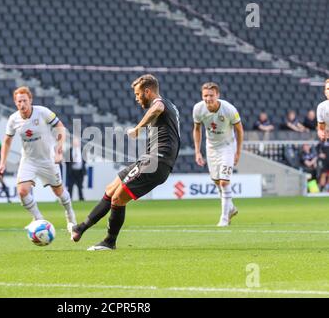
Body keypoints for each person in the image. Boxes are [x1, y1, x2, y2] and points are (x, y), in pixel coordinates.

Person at [71, 74, 181, 250]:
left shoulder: (159, 103)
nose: (137, 99)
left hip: (156, 162)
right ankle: (81, 228)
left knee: (118, 199)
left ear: (148, 91)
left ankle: (109, 242)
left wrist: (138, 129)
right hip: (148, 160)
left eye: (138, 94)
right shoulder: (171, 105)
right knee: (111, 189)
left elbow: (157, 108)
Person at [0, 86, 77, 231]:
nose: (22, 104)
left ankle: (70, 215)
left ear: (30, 100)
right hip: (29, 160)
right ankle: (39, 219)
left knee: (58, 192)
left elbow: (60, 127)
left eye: (25, 101)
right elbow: (7, 141)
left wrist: (59, 148)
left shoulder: (42, 112)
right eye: (19, 101)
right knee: (22, 191)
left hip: (48, 159)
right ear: (15, 103)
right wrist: (2, 163)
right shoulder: (13, 119)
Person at [193, 82, 244, 227]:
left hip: (227, 146)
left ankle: (224, 218)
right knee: (216, 182)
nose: (208, 98)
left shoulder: (229, 109)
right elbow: (197, 129)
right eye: (205, 95)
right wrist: (197, 151)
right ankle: (231, 208)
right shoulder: (198, 108)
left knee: (224, 181)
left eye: (211, 95)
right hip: (211, 147)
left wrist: (238, 152)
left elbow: (239, 130)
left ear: (217, 95)